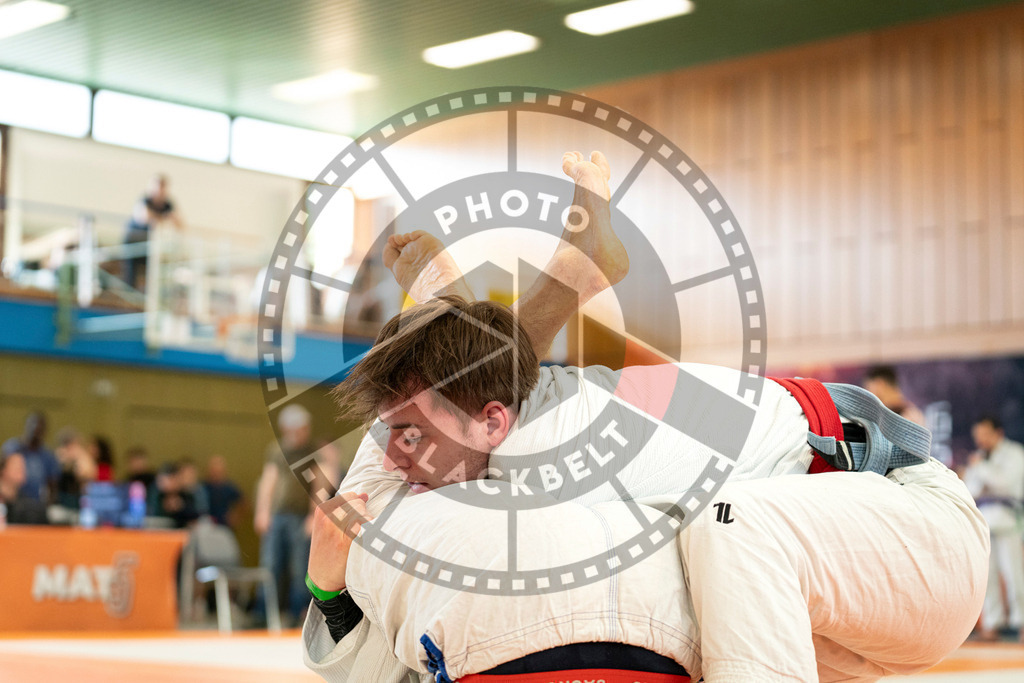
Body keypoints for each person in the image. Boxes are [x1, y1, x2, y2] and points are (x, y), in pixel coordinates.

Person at [303, 152, 988, 682]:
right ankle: (535, 280)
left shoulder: (560, 428)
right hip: (827, 561)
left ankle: (528, 281)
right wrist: (329, 590)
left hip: (913, 521)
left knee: (728, 526)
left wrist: (329, 582)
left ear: (492, 421)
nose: (393, 453)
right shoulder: (502, 428)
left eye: (409, 433)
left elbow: (390, 490)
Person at [254, 404, 316, 626]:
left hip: (300, 517)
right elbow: (267, 481)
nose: (304, 431)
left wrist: (313, 515)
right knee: (270, 564)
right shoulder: (277, 449)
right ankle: (262, 613)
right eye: (301, 427)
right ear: (288, 428)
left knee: (299, 566)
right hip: (276, 516)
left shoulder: (311, 451)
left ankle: (298, 613)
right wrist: (262, 511)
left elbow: (317, 486)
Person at [963, 415, 1024, 641]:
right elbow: (970, 488)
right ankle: (991, 623)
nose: (981, 440)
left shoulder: (1015, 453)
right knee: (986, 577)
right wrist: (984, 473)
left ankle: (1021, 623)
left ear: (998, 433)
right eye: (978, 435)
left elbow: (1007, 483)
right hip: (985, 520)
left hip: (1008, 519)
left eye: (985, 434)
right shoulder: (978, 458)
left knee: (1013, 573)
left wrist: (985, 471)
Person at [122, 174, 182, 290]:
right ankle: (129, 291)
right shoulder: (145, 200)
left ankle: (147, 293)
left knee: (154, 269)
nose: (159, 190)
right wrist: (164, 218)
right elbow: (144, 217)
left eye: (162, 187)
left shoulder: (167, 204)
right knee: (131, 269)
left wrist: (162, 218)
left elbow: (179, 224)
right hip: (134, 240)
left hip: (150, 244)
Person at [1, 411, 60, 503]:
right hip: (11, 500)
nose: (35, 430)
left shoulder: (48, 455)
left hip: (34, 504)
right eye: (32, 425)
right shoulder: (12, 447)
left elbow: (52, 484)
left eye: (39, 428)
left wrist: (48, 506)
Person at [0, 451, 49, 525]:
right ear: (3, 469)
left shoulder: (31, 508)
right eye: (17, 467)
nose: (22, 470)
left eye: (23, 467)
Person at [202, 454, 243, 527]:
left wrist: (235, 516)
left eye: (218, 471)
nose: (216, 473)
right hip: (207, 525)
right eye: (214, 470)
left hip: (224, 526)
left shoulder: (229, 487)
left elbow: (243, 502)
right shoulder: (203, 487)